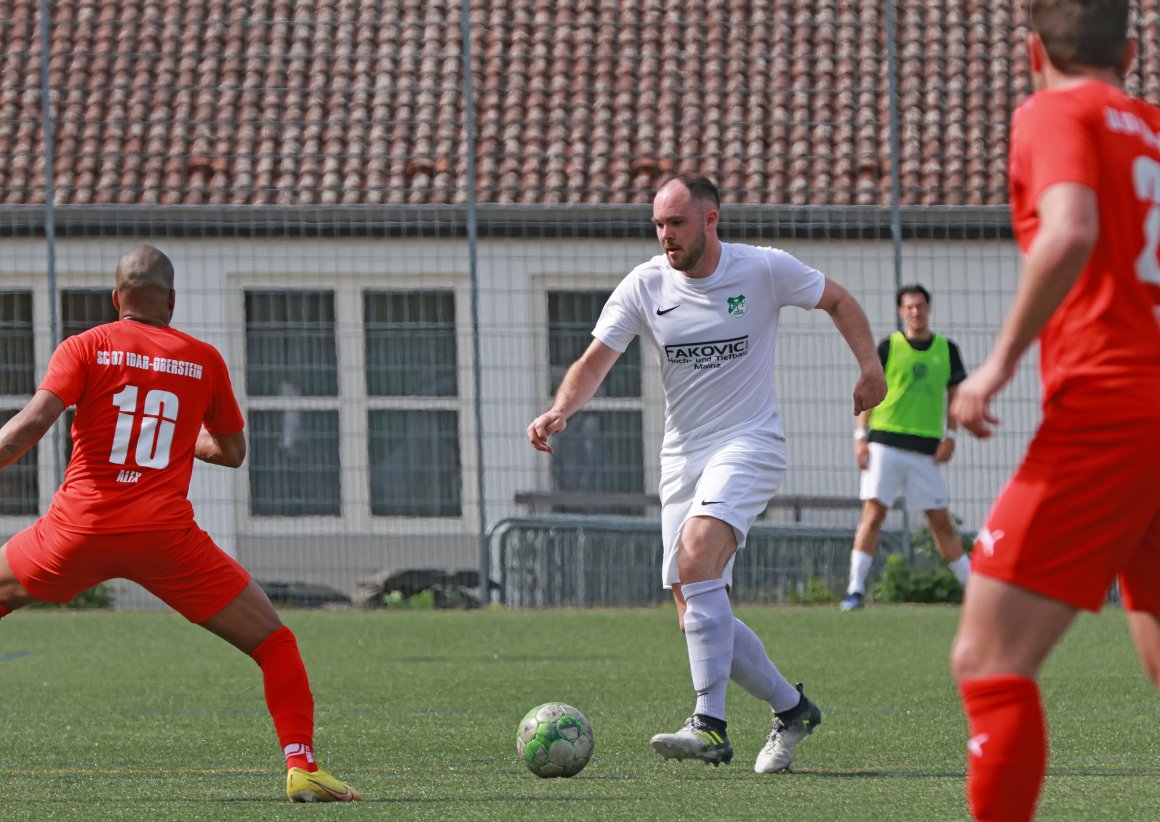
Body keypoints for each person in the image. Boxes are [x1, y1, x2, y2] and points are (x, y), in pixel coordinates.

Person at [527, 174, 886, 772]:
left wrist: (870, 368)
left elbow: (838, 300)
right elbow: (595, 360)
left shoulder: (763, 270)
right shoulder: (644, 284)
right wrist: (561, 407)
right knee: (697, 608)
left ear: (711, 219)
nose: (667, 236)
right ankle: (793, 710)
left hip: (750, 443)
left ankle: (710, 724)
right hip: (682, 456)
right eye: (659, 225)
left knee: (697, 560)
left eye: (678, 223)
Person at [0, 246, 361, 804]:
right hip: (165, 540)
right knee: (274, 641)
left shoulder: (86, 345)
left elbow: (28, 427)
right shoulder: (204, 359)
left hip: (77, 531)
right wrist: (179, 440)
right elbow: (233, 452)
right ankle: (303, 766)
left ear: (116, 298)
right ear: (172, 300)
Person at [948, 2, 1160, 819]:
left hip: (1110, 409)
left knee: (988, 659)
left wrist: (995, 366)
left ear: (1034, 51)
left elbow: (1069, 229)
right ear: (1132, 52)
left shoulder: (1053, 110)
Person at [840, 284, 970, 611]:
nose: (916, 311)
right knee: (873, 516)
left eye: (921, 306)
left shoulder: (947, 349)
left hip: (925, 450)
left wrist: (950, 436)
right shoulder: (888, 346)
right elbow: (870, 390)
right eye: (909, 307)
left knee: (940, 521)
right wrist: (860, 437)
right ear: (901, 311)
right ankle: (855, 590)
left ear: (928, 308)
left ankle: (974, 593)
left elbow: (956, 396)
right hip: (884, 442)